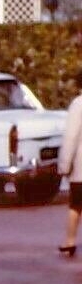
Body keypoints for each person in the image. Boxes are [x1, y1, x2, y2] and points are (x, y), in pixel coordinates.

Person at [59, 68, 82, 258]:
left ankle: (70, 241)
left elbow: (71, 138)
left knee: (75, 206)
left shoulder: (78, 105)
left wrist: (64, 165)